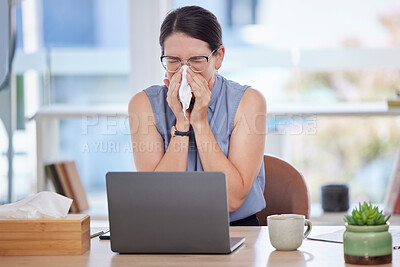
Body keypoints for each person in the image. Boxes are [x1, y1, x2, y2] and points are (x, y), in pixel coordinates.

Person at [128, 5, 266, 226]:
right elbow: (157, 199)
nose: (184, 72)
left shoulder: (247, 102)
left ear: (218, 57)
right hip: (167, 229)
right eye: (173, 61)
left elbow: (231, 200)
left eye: (196, 60)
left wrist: (200, 122)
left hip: (236, 229)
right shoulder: (143, 105)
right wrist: (182, 122)